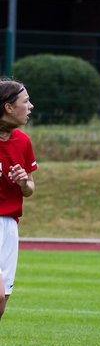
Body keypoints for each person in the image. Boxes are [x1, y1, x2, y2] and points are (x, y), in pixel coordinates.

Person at [0, 80, 36, 327]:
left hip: (9, 228)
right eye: (25, 102)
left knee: (2, 303)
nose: (30, 106)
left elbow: (30, 189)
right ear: (9, 108)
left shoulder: (23, 141)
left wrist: (23, 182)